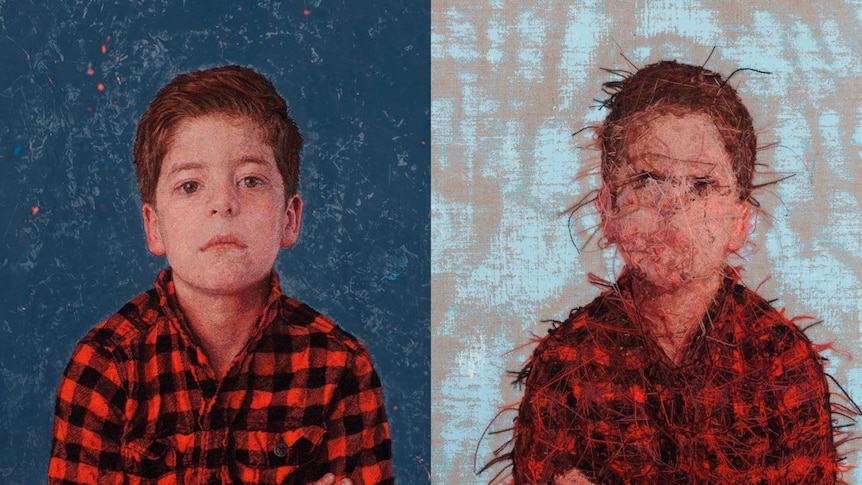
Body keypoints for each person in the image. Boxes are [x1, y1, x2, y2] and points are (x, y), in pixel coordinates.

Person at [49, 65, 393, 485]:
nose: (223, 205)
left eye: (250, 180)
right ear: (154, 226)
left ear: (290, 218)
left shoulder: (341, 367)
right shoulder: (105, 367)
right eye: (190, 186)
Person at [511, 61, 845, 484]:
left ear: (741, 221)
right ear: (607, 209)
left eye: (701, 186)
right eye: (647, 179)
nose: (672, 206)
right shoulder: (567, 364)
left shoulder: (782, 361)